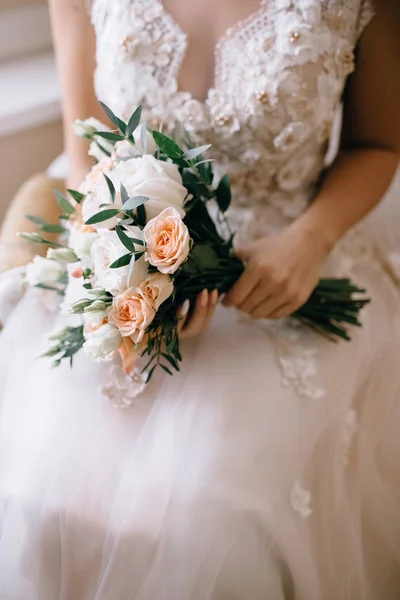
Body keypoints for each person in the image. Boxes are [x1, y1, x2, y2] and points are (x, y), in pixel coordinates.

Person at [0, 0, 399, 598]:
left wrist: (310, 241)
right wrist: (136, 285)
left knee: (210, 514)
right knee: (37, 486)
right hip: (127, 260)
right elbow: (86, 157)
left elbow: (377, 143)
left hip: (289, 273)